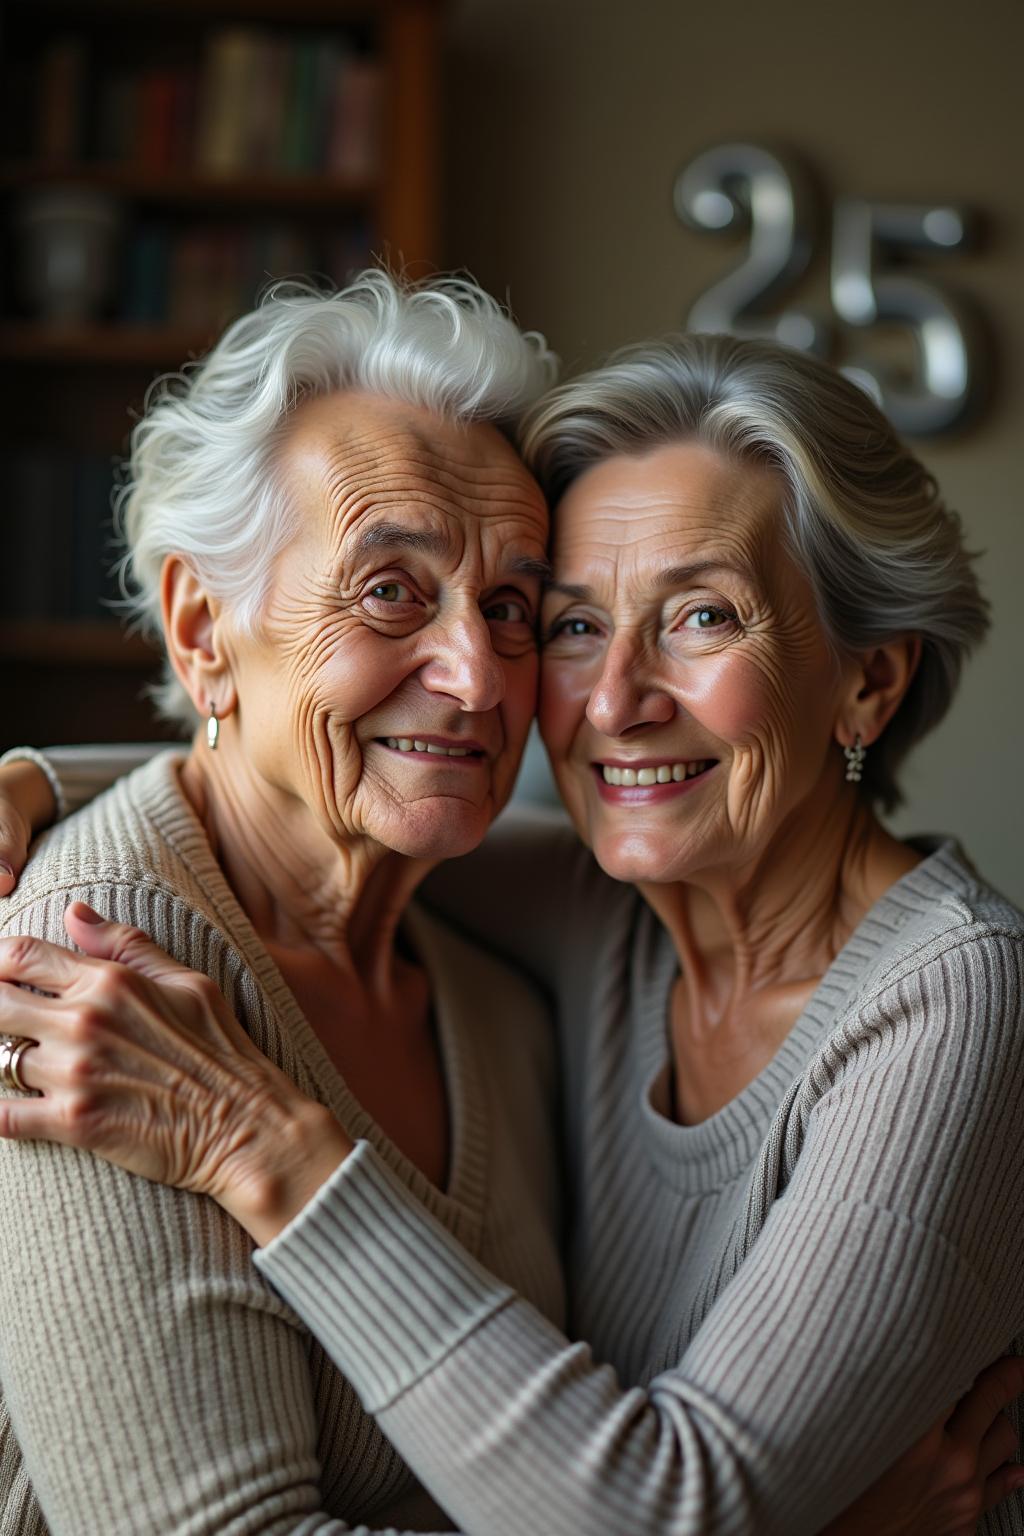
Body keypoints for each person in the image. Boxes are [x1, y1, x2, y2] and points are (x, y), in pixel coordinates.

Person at [1, 317, 1023, 1536]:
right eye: (579, 625)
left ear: (868, 680)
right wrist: (43, 788)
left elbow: (662, 1512)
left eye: (702, 617)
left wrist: (258, 1141)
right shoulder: (96, 977)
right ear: (201, 627)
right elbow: (311, 783)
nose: (599, 697)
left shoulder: (930, 998)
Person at [0, 270, 567, 1534]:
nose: (477, 676)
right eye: (389, 590)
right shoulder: (87, 979)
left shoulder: (496, 986)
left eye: (514, 607)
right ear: (203, 628)